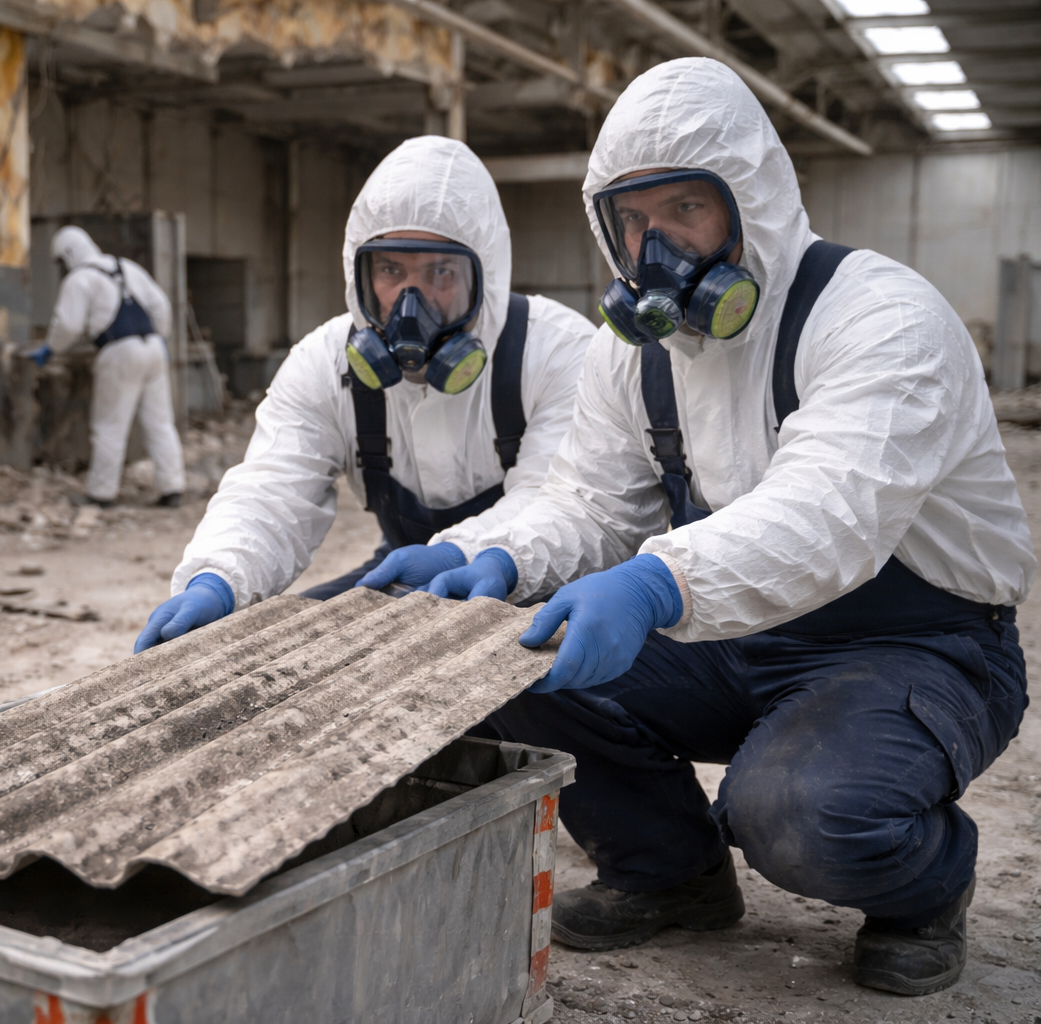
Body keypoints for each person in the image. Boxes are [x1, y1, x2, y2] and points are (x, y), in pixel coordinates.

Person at [368, 59, 1033, 997]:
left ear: (749, 200)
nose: (655, 248)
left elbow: (828, 514)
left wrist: (654, 584)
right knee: (501, 661)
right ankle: (670, 872)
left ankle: (926, 883)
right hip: (734, 630)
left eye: (684, 211)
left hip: (913, 644)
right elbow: (593, 503)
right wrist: (492, 553)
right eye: (632, 221)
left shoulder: (880, 317)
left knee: (797, 812)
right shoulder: (634, 354)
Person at [134, 135, 596, 653]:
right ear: (361, 273)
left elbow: (562, 502)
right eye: (391, 270)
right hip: (407, 575)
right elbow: (274, 488)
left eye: (440, 272)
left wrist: (467, 556)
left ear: (483, 273)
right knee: (280, 652)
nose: (410, 302)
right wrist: (218, 578)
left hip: (541, 582)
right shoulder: (327, 361)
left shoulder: (556, 350)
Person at [30, 226, 185, 508]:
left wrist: (50, 349)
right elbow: (161, 305)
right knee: (160, 423)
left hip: (118, 352)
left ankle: (101, 493)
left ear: (68, 255)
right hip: (153, 348)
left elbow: (68, 324)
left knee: (109, 425)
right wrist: (159, 337)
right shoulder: (127, 266)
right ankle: (172, 487)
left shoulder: (80, 279)